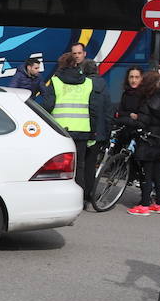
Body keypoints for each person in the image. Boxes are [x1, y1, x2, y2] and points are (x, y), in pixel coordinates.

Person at [38, 51, 108, 207]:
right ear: (76, 65)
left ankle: (59, 201)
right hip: (83, 131)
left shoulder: (55, 82)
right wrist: (93, 132)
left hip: (60, 132)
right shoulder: (87, 83)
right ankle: (79, 200)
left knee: (58, 167)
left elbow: (48, 106)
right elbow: (93, 110)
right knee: (80, 166)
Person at [127, 70, 160, 216]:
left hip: (149, 141)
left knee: (146, 175)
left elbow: (142, 122)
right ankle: (159, 204)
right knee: (159, 174)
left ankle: (144, 205)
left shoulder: (147, 102)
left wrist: (132, 120)